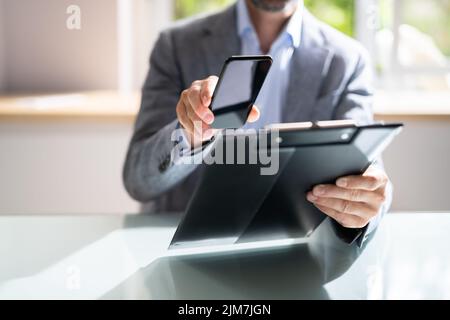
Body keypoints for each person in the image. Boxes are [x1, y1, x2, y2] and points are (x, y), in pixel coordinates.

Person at [123, 0, 392, 246]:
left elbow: (370, 174)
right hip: (181, 256)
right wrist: (190, 134)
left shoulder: (348, 61)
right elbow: (138, 180)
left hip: (293, 254)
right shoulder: (176, 46)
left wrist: (364, 207)